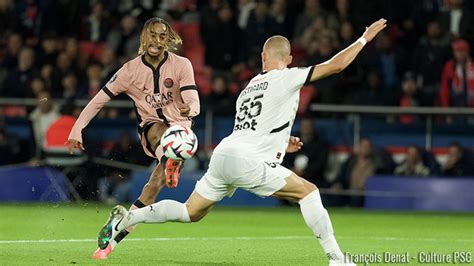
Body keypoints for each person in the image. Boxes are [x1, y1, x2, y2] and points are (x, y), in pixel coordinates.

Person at [98, 19, 387, 265]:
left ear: (263, 57)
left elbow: (255, 128)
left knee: (190, 212)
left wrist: (282, 143)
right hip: (245, 160)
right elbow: (335, 66)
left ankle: (129, 219)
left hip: (225, 154)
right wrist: (364, 38)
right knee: (309, 192)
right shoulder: (286, 77)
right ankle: (336, 258)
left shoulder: (248, 89)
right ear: (287, 60)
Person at [67, 17, 200, 259]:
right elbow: (99, 100)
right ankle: (172, 159)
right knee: (161, 128)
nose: (156, 41)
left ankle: (111, 240)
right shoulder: (129, 71)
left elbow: (193, 99)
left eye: (162, 36)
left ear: (167, 40)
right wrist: (77, 129)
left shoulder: (182, 64)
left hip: (181, 128)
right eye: (152, 35)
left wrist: (189, 109)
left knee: (151, 190)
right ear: (143, 38)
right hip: (153, 129)